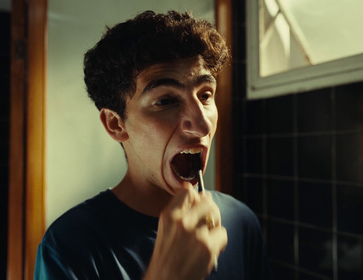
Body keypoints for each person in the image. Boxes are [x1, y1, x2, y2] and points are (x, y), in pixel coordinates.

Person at [34, 10, 272, 280]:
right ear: (116, 124)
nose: (203, 125)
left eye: (205, 95)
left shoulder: (241, 222)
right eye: (166, 101)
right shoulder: (69, 245)